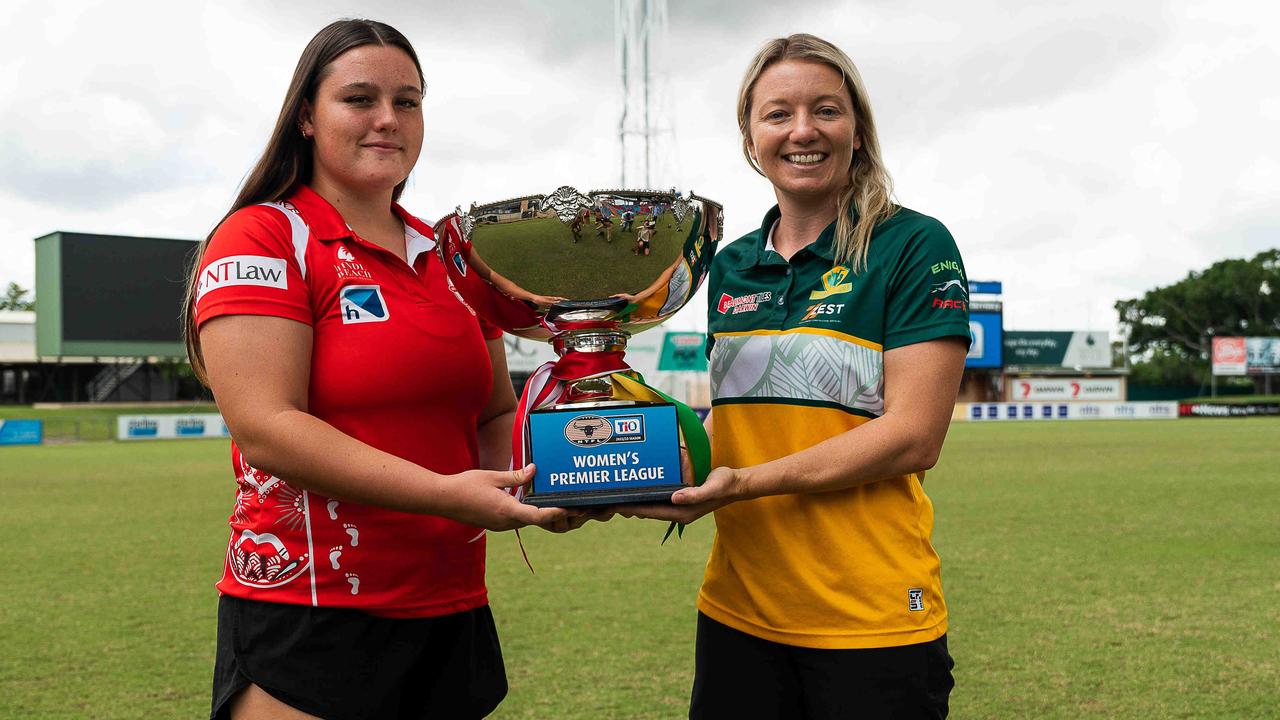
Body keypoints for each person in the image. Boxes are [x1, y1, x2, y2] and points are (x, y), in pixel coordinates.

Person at [182, 19, 579, 720]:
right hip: (311, 609)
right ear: (306, 115)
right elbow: (267, 428)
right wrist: (449, 494)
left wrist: (551, 482)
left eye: (409, 100)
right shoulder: (264, 234)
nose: (388, 120)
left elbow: (492, 414)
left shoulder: (453, 253)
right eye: (360, 99)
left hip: (447, 604)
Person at [619, 33, 970, 719]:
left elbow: (913, 437)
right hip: (738, 612)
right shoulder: (732, 263)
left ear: (857, 131)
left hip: (870, 618)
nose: (802, 130)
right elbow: (737, 416)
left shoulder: (913, 245)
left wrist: (744, 484)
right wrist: (647, 465)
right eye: (778, 113)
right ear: (751, 137)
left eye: (826, 111)